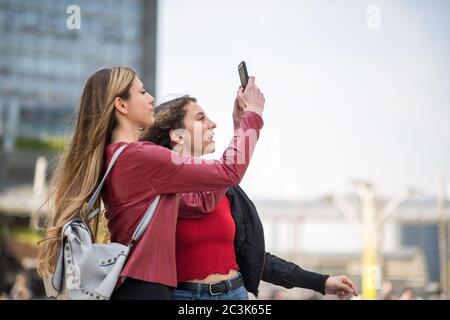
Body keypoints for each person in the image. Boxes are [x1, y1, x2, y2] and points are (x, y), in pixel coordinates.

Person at [37, 67, 265, 300]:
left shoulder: (118, 156)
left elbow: (200, 202)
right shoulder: (140, 157)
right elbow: (229, 172)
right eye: (142, 92)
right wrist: (253, 116)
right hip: (146, 289)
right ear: (121, 105)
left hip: (137, 288)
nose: (151, 99)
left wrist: (240, 128)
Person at [143, 95, 358, 300]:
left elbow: (253, 258)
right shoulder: (158, 190)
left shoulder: (227, 191)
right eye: (201, 118)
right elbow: (202, 198)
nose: (213, 124)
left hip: (236, 294)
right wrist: (246, 123)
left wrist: (321, 282)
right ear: (177, 135)